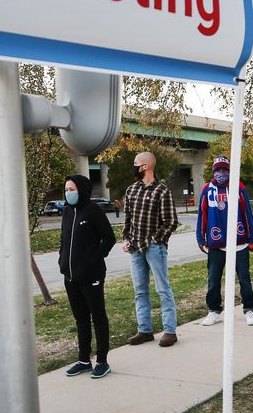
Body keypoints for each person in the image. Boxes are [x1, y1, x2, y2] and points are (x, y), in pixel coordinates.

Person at [57, 174, 117, 379]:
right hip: (70, 276)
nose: (67, 193)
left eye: (71, 189)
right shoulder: (66, 212)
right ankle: (84, 360)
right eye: (66, 190)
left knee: (98, 317)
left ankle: (102, 361)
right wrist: (62, 261)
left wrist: (92, 260)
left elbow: (109, 238)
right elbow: (64, 240)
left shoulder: (93, 211)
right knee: (80, 318)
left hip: (91, 274)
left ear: (81, 190)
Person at [122, 151, 180, 347]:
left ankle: (170, 331)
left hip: (155, 248)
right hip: (135, 249)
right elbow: (127, 221)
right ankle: (144, 330)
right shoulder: (131, 191)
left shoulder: (162, 191)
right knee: (140, 291)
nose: (134, 166)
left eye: (135, 163)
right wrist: (125, 239)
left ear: (145, 166)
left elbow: (171, 222)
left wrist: (155, 240)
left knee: (163, 289)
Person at [197, 155, 253, 327]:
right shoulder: (207, 189)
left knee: (244, 278)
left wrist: (252, 237)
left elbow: (247, 213)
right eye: (218, 170)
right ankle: (214, 311)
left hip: (240, 242)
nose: (221, 173)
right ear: (213, 172)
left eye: (224, 170)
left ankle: (250, 310)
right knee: (214, 279)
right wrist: (200, 237)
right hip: (216, 243)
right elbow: (202, 215)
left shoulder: (238, 187)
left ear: (229, 171)